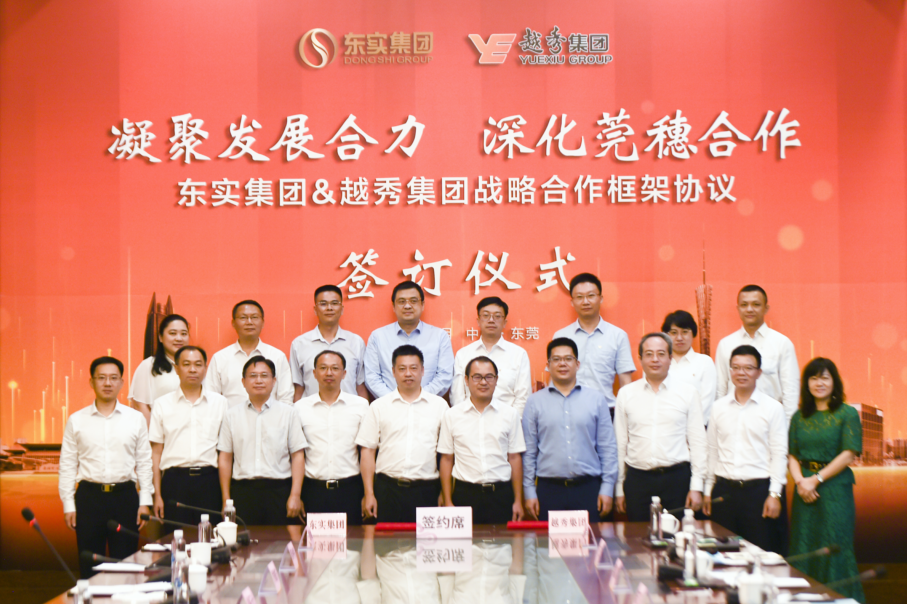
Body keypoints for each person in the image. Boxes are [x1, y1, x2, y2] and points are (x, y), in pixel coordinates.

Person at [59, 356, 153, 578]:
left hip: (125, 498)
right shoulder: (76, 420)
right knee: (90, 566)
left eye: (113, 378)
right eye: (101, 378)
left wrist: (145, 501)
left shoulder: (135, 418)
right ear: (91, 382)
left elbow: (144, 462)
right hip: (89, 498)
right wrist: (68, 504)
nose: (107, 383)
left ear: (121, 382)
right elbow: (68, 464)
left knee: (126, 564)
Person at [788, 358, 864, 603]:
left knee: (835, 545)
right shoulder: (799, 416)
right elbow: (792, 455)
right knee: (804, 545)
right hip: (804, 491)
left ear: (834, 382)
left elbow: (849, 453)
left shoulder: (847, 414)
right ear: (806, 383)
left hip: (834, 490)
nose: (819, 383)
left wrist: (816, 479)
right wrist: (801, 481)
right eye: (813, 378)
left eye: (824, 377)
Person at [522, 337, 618, 521]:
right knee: (548, 541)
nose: (562, 363)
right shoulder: (534, 402)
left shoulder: (596, 400)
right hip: (549, 491)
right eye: (556, 359)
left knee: (590, 540)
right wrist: (529, 491)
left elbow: (607, 448)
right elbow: (529, 451)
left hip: (589, 489)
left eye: (568, 358)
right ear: (548, 365)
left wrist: (607, 488)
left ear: (577, 364)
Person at [704, 345, 788, 554]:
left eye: (748, 368)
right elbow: (712, 450)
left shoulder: (773, 408)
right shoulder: (718, 407)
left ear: (759, 372)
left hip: (758, 493)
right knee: (723, 555)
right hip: (723, 493)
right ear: (730, 371)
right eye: (736, 367)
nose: (741, 373)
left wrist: (774, 494)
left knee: (760, 555)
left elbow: (779, 454)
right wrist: (708, 490)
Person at [614, 333, 707, 521]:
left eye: (661, 354)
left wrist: (697, 486)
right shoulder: (626, 394)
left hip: (677, 479)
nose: (655, 359)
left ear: (670, 358)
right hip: (638, 480)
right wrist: (619, 488)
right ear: (640, 359)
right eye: (649, 354)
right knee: (639, 536)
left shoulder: (688, 393)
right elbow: (620, 443)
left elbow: (698, 442)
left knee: (679, 535)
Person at [356, 345, 448, 522]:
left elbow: (446, 455)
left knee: (427, 541)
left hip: (427, 490)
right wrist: (369, 494)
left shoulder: (440, 406)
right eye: (402, 369)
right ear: (393, 372)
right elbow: (367, 452)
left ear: (422, 371)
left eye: (413, 368)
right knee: (386, 540)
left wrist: (445, 493)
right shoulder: (378, 406)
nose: (408, 374)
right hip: (387, 490)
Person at [217, 356, 306, 525]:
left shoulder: (289, 413)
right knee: (244, 541)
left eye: (264, 375)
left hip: (279, 491)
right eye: (253, 376)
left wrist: (295, 495)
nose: (259, 380)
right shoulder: (231, 415)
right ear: (243, 382)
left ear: (274, 381)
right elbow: (225, 458)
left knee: (280, 541)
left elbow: (298, 456)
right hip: (243, 492)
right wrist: (226, 500)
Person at [439, 356, 526, 524]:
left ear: (496, 380)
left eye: (489, 377)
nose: (483, 382)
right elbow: (447, 459)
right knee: (466, 541)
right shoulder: (451, 415)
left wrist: (517, 501)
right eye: (477, 377)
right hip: (465, 494)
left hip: (501, 494)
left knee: (502, 541)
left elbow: (515, 458)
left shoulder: (510, 414)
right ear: (466, 380)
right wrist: (448, 500)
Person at [149, 346, 227, 526]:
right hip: (174, 482)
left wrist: (226, 498)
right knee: (175, 537)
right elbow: (156, 453)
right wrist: (157, 494)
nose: (193, 369)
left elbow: (225, 453)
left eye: (198, 364)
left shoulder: (220, 403)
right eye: (186, 364)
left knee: (211, 538)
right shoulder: (161, 404)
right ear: (176, 368)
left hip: (209, 482)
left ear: (205, 369)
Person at [295, 350, 369, 524]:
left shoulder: (360, 405)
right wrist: (296, 495)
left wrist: (368, 493)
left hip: (350, 489)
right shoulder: (299, 408)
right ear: (314, 373)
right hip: (313, 490)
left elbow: (366, 451)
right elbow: (297, 454)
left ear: (344, 374)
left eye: (335, 368)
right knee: (313, 541)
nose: (329, 373)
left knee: (352, 540)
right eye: (323, 368)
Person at [552, 273, 635, 418]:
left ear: (600, 298)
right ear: (572, 302)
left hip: (606, 412)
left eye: (591, 295)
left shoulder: (618, 335)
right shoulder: (561, 336)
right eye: (579, 297)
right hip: (567, 413)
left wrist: (628, 418)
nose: (585, 301)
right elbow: (554, 378)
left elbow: (625, 382)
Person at [714, 285, 799, 421]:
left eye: (756, 304)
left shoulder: (782, 343)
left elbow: (790, 390)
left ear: (766, 308)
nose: (749, 309)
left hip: (771, 420)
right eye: (744, 305)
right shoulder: (725, 344)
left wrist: (788, 425)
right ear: (738, 309)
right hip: (733, 419)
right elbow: (720, 389)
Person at [364, 282, 454, 398]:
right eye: (402, 301)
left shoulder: (440, 336)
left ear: (422, 305)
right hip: (388, 405)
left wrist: (420, 398)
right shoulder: (378, 337)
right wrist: (394, 400)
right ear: (393, 306)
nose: (407, 306)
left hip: (428, 405)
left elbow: (444, 376)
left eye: (413, 301)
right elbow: (372, 377)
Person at [450, 297, 532, 416]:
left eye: (497, 316)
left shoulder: (519, 354)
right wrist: (464, 420)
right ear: (478, 321)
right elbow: (457, 395)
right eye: (486, 315)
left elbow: (523, 397)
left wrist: (511, 422)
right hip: (469, 421)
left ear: (505, 322)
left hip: (507, 422)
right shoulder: (463, 354)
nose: (491, 320)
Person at [206, 300, 293, 407]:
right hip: (231, 417)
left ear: (263, 322)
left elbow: (286, 398)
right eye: (243, 317)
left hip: (271, 417)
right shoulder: (220, 358)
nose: (249, 322)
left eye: (254, 317)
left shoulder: (277, 356)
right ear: (233, 323)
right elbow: (211, 398)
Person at [290, 284, 368, 402]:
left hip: (349, 410)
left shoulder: (356, 342)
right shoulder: (299, 344)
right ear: (315, 309)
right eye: (323, 304)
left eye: (334, 303)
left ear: (342, 309)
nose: (329, 308)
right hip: (311, 410)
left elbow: (360, 386)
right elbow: (298, 388)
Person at [129, 314, 189, 425]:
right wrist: (152, 435)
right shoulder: (148, 365)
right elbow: (140, 405)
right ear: (160, 337)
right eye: (173, 333)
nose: (179, 338)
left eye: (184, 334)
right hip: (161, 431)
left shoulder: (195, 367)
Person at [662, 310, 717, 424]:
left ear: (693, 334)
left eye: (685, 332)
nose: (679, 338)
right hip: (664, 427)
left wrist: (692, 427)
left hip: (697, 428)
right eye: (674, 332)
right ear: (666, 335)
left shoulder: (705, 362)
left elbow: (707, 402)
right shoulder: (658, 363)